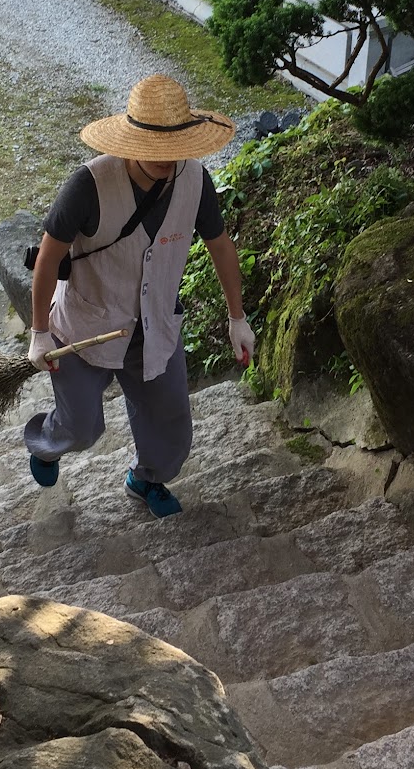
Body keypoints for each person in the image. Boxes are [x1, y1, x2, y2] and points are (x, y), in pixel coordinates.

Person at [23, 74, 256, 518]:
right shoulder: (88, 185)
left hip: (155, 324)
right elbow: (48, 259)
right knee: (80, 428)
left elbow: (221, 246)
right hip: (86, 326)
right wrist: (38, 332)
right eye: (155, 149)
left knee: (173, 433)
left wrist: (236, 317)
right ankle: (47, 444)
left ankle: (145, 479)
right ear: (131, 142)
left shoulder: (195, 181)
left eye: (174, 148)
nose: (167, 160)